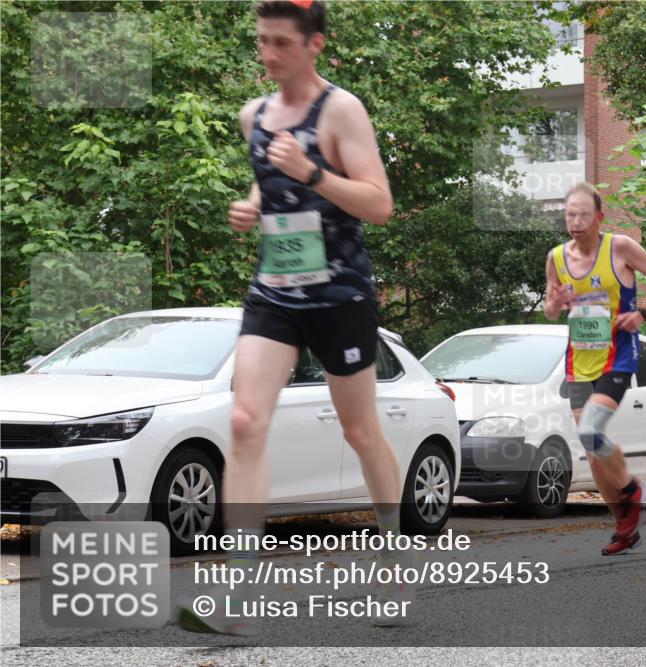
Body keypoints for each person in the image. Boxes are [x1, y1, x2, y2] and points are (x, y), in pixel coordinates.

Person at [179, 0, 403, 634]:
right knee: (244, 422)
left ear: (314, 45)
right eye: (263, 40)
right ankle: (240, 593)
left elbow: (379, 204)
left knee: (360, 432)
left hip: (340, 295)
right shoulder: (252, 116)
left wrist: (314, 172)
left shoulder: (340, 110)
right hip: (274, 293)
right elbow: (271, 181)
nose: (268, 53)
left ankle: (394, 557)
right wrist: (251, 206)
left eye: (281, 42)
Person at [543, 182, 646, 556]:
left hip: (618, 356)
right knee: (591, 447)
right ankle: (624, 525)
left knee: (590, 430)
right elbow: (551, 311)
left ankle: (631, 487)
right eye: (570, 215)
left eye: (584, 214)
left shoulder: (620, 247)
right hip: (578, 360)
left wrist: (642, 313)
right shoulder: (556, 258)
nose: (576, 222)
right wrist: (556, 303)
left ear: (599, 217)